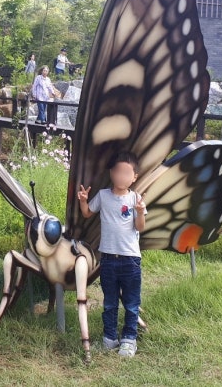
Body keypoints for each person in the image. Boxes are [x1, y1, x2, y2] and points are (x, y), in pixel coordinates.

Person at [77, 151, 146, 358]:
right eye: (117, 171)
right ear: (111, 173)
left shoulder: (136, 199)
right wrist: (83, 200)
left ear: (134, 177)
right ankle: (109, 338)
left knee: (132, 304)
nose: (121, 176)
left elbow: (140, 227)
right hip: (107, 259)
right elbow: (87, 213)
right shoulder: (104, 196)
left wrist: (141, 212)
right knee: (109, 302)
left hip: (130, 260)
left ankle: (129, 339)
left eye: (127, 173)